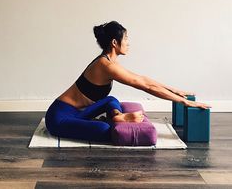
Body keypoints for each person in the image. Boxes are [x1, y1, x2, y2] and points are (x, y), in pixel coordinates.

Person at [45, 21, 211, 142]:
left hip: (80, 113)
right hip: (59, 117)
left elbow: (144, 79)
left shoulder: (109, 62)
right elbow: (145, 86)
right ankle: (114, 119)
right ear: (115, 43)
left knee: (111, 100)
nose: (128, 43)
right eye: (126, 38)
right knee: (104, 130)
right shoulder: (106, 65)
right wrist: (183, 102)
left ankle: (117, 116)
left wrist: (176, 91)